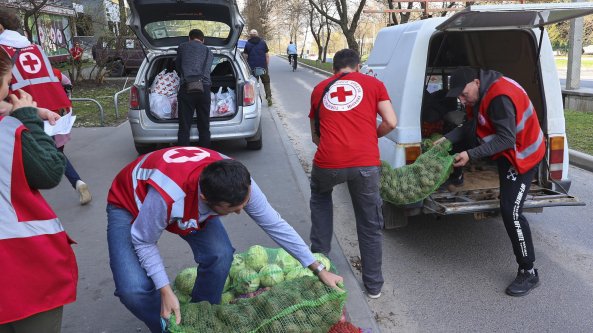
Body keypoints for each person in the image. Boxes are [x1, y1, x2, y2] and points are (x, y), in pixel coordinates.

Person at [106, 146, 344, 332]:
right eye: (232, 209)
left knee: (220, 255)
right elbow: (144, 241)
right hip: (131, 202)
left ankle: (201, 319)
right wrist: (166, 290)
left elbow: (275, 224)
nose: (240, 212)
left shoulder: (237, 181)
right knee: (133, 290)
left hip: (187, 201)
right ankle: (167, 327)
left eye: (244, 204)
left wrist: (317, 267)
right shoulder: (167, 197)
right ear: (205, 198)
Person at [439, 67, 546, 296]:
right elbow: (473, 126)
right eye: (457, 95)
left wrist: (470, 154)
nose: (461, 98)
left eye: (463, 93)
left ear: (476, 82)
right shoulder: (483, 92)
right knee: (508, 208)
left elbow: (507, 139)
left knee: (511, 211)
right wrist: (447, 139)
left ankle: (529, 272)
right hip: (510, 153)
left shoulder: (499, 96)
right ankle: (457, 176)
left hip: (522, 155)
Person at [308, 49, 397, 299]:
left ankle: (321, 266)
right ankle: (373, 286)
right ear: (358, 66)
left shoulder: (319, 89)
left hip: (328, 162)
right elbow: (391, 121)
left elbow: (315, 136)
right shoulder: (374, 84)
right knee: (369, 222)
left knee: (321, 199)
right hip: (365, 163)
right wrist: (370, 137)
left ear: (333, 69)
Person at [0, 48, 78, 333]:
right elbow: (49, 172)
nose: (11, 89)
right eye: (8, 82)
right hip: (18, 262)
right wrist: (31, 121)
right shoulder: (10, 131)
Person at [0, 9, 91, 205]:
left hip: (22, 105)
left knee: (32, 155)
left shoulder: (2, 51)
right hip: (52, 105)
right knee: (54, 150)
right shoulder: (34, 47)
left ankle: (25, 200)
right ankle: (78, 182)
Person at [52, 67, 92, 205]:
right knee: (57, 149)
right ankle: (77, 181)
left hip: (35, 115)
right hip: (57, 113)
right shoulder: (54, 72)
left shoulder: (17, 72)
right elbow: (68, 84)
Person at [176, 29, 214, 148]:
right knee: (204, 126)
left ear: (189, 38)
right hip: (204, 89)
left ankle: (184, 154)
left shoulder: (182, 47)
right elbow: (208, 70)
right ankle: (205, 155)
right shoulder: (209, 51)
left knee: (184, 126)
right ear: (203, 40)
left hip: (186, 88)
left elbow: (177, 66)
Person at [243, 29, 272, 106]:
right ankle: (268, 97)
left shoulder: (247, 44)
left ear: (250, 35)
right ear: (257, 34)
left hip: (252, 68)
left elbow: (245, 56)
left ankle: (258, 99)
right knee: (266, 82)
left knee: (254, 84)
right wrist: (266, 65)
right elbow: (267, 55)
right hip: (263, 67)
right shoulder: (263, 42)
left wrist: (246, 66)